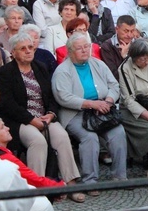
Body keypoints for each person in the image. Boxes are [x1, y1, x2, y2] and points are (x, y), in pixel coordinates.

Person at [0, 33, 83, 201]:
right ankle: (36, 189)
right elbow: (7, 104)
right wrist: (31, 120)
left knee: (62, 137)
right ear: (13, 52)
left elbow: (50, 96)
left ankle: (71, 183)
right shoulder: (5, 73)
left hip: (44, 117)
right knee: (38, 141)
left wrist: (50, 114)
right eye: (23, 48)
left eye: (30, 47)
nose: (28, 51)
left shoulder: (41, 67)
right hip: (20, 120)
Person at [52, 33, 128, 189]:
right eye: (79, 48)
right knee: (89, 137)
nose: (84, 50)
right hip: (75, 113)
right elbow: (63, 97)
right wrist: (91, 104)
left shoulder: (98, 64)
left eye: (86, 46)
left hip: (103, 108)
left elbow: (114, 86)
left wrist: (108, 101)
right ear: (70, 51)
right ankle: (90, 182)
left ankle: (120, 177)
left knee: (118, 132)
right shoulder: (62, 71)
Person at [100, 15, 139, 81]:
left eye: (132, 31)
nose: (129, 35)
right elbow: (113, 74)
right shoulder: (107, 47)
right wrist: (124, 58)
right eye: (126, 31)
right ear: (117, 29)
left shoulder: (138, 44)